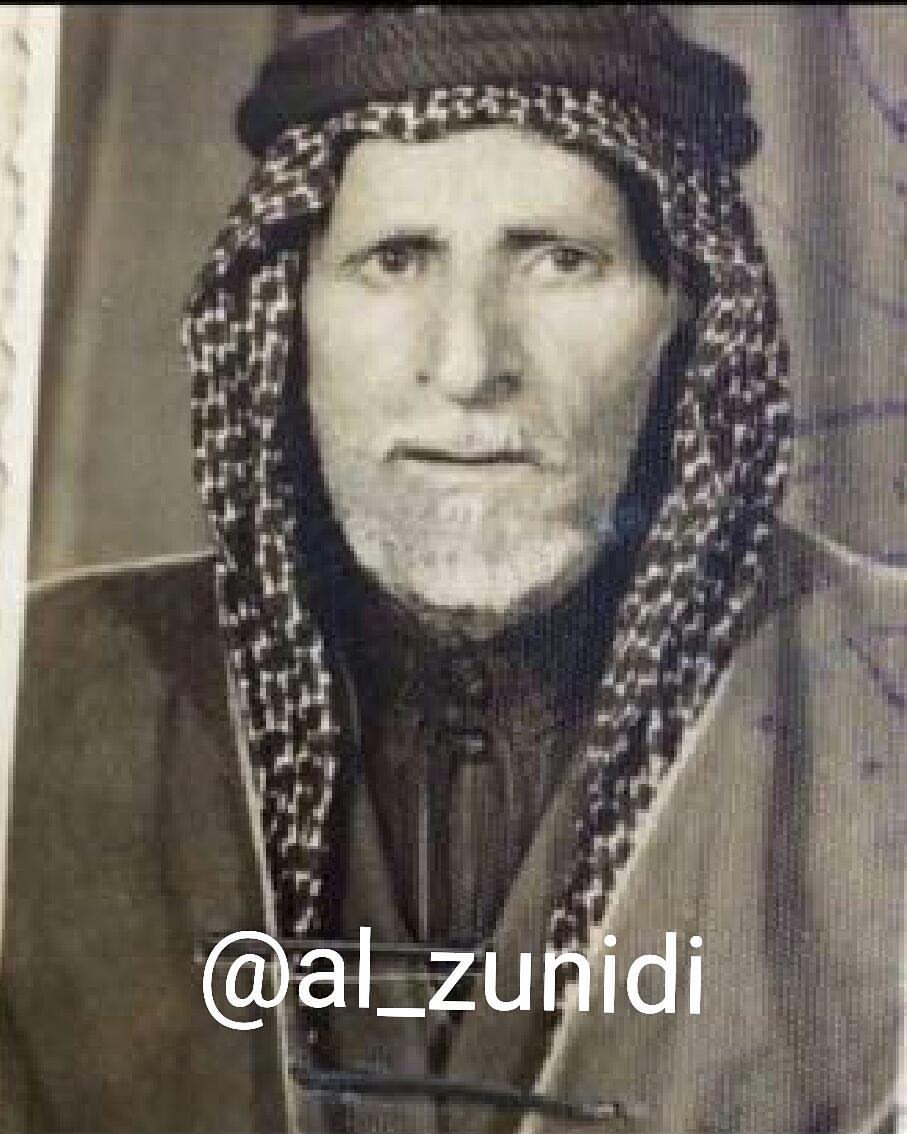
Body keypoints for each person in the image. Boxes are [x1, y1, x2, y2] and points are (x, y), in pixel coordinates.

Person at [2, 8, 902, 1133]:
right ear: (290, 312)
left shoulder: (881, 688)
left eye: (560, 261)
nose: (470, 364)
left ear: (683, 314)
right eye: (395, 260)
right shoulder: (42, 691)